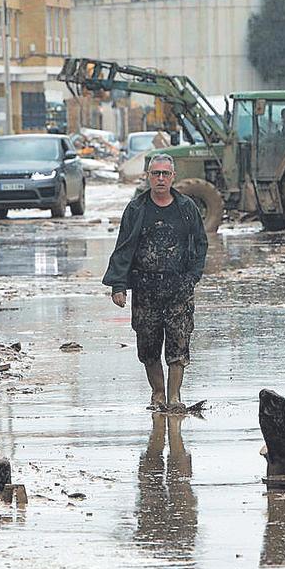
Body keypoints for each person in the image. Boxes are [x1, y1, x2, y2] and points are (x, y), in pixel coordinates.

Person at [102, 154, 208, 412]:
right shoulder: (137, 209)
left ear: (173, 177)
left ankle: (174, 398)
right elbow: (124, 248)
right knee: (148, 346)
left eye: (165, 174)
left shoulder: (186, 208)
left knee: (178, 345)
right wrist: (118, 286)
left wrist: (192, 277)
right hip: (145, 289)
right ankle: (158, 394)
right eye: (155, 174)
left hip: (178, 290)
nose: (160, 178)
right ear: (148, 177)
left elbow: (201, 244)